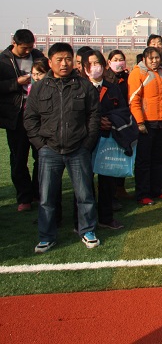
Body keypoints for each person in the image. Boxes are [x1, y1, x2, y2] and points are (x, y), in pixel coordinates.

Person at [24, 42, 101, 253]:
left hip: (78, 149)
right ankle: (46, 236)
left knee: (84, 195)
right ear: (50, 62)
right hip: (49, 150)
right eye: (59, 59)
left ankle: (87, 231)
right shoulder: (39, 87)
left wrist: (87, 144)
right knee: (47, 197)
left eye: (68, 59)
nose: (64, 63)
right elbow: (30, 119)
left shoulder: (84, 86)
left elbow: (94, 117)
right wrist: (40, 145)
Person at [82, 50, 130, 230]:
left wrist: (110, 120)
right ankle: (83, 220)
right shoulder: (79, 87)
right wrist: (95, 121)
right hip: (85, 140)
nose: (95, 67)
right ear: (85, 67)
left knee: (107, 181)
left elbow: (123, 110)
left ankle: (106, 217)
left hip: (107, 139)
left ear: (104, 65)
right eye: (91, 64)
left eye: (98, 63)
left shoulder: (112, 87)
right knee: (84, 182)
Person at [0, 29, 46, 212]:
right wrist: (16, 83)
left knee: (41, 156)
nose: (28, 51)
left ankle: (38, 193)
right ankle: (24, 197)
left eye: (30, 47)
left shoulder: (38, 57)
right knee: (19, 158)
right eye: (24, 48)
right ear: (15, 43)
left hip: (39, 115)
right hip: (16, 116)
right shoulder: (3, 60)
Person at [128, 46, 162, 206]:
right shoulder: (138, 73)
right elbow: (134, 100)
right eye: (151, 58)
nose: (155, 61)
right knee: (144, 160)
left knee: (160, 158)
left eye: (157, 58)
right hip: (147, 123)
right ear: (144, 59)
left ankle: (156, 189)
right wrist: (139, 122)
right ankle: (143, 193)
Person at [104, 50, 132, 200]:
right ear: (109, 62)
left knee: (122, 153)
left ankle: (120, 187)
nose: (119, 62)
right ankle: (110, 190)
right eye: (115, 59)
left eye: (121, 59)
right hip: (110, 119)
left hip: (124, 119)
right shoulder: (106, 78)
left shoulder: (127, 78)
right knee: (109, 156)